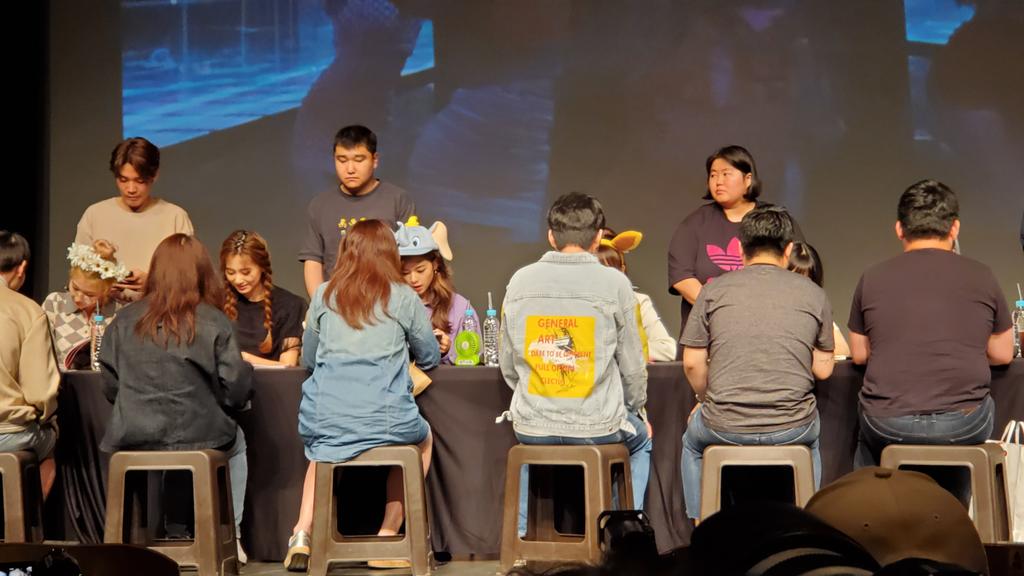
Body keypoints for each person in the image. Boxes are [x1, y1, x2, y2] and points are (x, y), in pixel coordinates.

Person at [285, 220, 439, 572]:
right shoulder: (403, 296)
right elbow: (429, 355)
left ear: (345, 253)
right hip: (388, 419)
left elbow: (309, 358)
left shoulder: (324, 294)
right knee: (423, 440)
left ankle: (301, 533)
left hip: (325, 418)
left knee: (322, 449)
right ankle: (387, 536)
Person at [499, 192, 652, 530]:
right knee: (642, 439)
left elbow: (508, 366)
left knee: (530, 440)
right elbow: (632, 366)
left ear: (551, 236)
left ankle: (520, 539)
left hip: (532, 427)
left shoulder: (520, 280)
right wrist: (635, 408)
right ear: (598, 238)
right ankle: (625, 537)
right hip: (598, 426)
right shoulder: (615, 282)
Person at [98, 234, 253, 562]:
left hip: (134, 433)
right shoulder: (214, 320)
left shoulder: (123, 320)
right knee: (235, 440)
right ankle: (233, 537)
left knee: (180, 443)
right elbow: (236, 388)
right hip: (200, 432)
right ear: (202, 273)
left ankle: (164, 534)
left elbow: (110, 385)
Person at [681, 206, 835, 520]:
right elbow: (823, 369)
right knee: (812, 442)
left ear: (740, 249)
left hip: (724, 425)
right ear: (788, 250)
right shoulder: (813, 293)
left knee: (692, 445)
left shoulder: (713, 291)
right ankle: (808, 524)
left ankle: (701, 528)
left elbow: (692, 363)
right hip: (792, 427)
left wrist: (704, 398)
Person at [848, 180, 1014, 468]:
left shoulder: (872, 277)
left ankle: (876, 494)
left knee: (866, 435)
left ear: (899, 229)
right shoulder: (982, 275)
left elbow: (860, 354)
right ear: (955, 228)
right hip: (964, 423)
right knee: (973, 426)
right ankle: (959, 497)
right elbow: (1003, 353)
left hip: (888, 422)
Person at [667, 145, 803, 333]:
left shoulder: (776, 220)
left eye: (726, 174)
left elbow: (801, 269)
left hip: (770, 329)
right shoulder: (694, 224)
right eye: (713, 175)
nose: (718, 181)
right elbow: (682, 278)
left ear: (748, 179)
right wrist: (724, 313)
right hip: (709, 332)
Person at [298, 125, 416, 298]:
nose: (350, 169)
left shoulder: (397, 199)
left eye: (359, 160)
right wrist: (319, 305)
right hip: (337, 303)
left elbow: (412, 257)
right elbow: (313, 260)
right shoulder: (320, 205)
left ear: (375, 160)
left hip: (387, 301)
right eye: (342, 160)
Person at [75, 137, 194, 299]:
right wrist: (103, 284)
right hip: (105, 311)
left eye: (140, 181)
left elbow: (187, 279)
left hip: (156, 309)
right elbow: (78, 276)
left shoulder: (175, 217)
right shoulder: (94, 214)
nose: (131, 189)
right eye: (123, 180)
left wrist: (152, 283)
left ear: (154, 175)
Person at [0, 231, 59, 499]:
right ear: (22, 267)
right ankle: (21, 523)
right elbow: (40, 392)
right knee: (49, 445)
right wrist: (49, 419)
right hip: (7, 432)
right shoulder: (27, 310)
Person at [395, 216, 480, 364]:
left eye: (420, 270)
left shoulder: (460, 307)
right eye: (405, 273)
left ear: (435, 264)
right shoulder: (389, 306)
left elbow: (476, 358)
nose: (413, 279)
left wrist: (449, 350)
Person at [219, 230, 307, 367]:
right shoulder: (218, 302)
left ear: (261, 267)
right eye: (231, 272)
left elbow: (288, 366)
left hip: (271, 381)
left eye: (246, 272)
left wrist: (245, 359)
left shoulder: (291, 305)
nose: (238, 280)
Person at [42, 240, 129, 370]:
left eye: (89, 294)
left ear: (106, 291)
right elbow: (42, 356)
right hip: (63, 381)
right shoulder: (55, 304)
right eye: (75, 288)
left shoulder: (119, 312)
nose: (78, 298)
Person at [596, 230, 676, 362]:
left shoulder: (637, 301)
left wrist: (625, 351)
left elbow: (667, 349)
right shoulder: (573, 302)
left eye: (609, 271)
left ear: (622, 270)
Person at [786, 242, 852, 358]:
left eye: (807, 281)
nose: (799, 288)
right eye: (794, 279)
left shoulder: (816, 311)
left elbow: (843, 351)